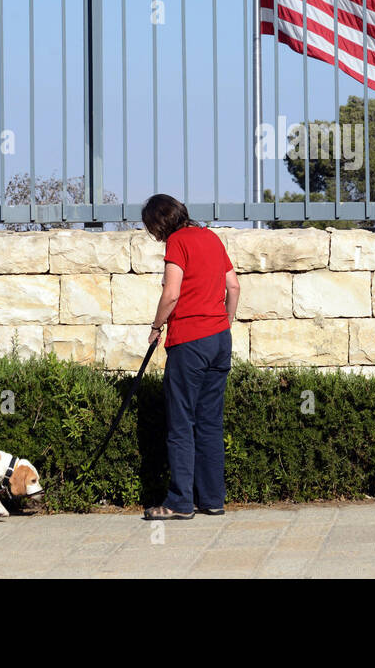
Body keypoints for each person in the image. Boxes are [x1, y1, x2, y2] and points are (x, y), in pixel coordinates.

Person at [140, 194, 240, 520]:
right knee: (210, 423)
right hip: (220, 340)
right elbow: (233, 287)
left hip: (190, 342)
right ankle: (212, 500)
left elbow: (171, 294)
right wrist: (225, 322)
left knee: (181, 424)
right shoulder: (211, 237)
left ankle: (180, 502)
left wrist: (156, 326)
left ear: (158, 224)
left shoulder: (178, 242)